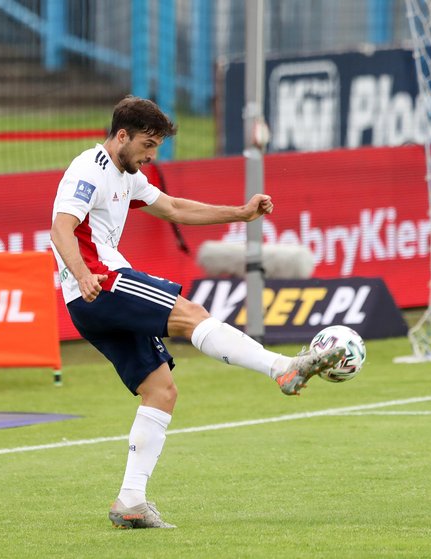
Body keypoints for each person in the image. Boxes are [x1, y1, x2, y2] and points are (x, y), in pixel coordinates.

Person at [50, 95, 345, 529]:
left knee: (161, 390)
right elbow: (60, 227)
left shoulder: (126, 175)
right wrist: (83, 272)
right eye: (148, 145)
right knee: (190, 313)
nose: (152, 156)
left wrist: (241, 213)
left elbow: (173, 208)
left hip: (90, 299)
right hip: (101, 283)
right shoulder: (88, 169)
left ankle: (130, 502)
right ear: (122, 136)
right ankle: (282, 367)